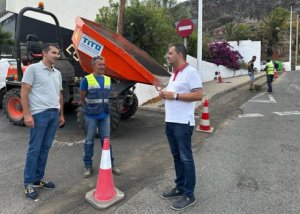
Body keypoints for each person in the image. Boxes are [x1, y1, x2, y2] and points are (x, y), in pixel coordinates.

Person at [159, 44, 203, 211]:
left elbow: (198, 94)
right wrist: (165, 93)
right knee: (177, 156)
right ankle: (180, 187)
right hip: (170, 121)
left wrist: (175, 95)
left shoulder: (190, 72)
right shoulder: (174, 75)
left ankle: (189, 195)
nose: (167, 55)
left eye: (170, 53)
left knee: (186, 158)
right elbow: (172, 94)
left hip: (182, 123)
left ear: (179, 54)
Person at [21, 43, 65, 201]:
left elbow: (59, 95)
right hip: (39, 115)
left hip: (54, 114)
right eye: (54, 52)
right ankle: (28, 182)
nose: (57, 56)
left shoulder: (57, 73)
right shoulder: (33, 69)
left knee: (45, 148)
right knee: (34, 149)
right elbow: (24, 92)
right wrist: (27, 114)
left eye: (58, 53)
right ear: (45, 53)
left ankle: (37, 179)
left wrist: (61, 114)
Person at [80, 55, 121, 178]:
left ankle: (111, 164)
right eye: (100, 64)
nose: (102, 67)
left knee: (106, 141)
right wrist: (88, 107)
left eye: (103, 64)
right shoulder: (86, 79)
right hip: (91, 115)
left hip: (105, 115)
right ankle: (88, 166)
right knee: (89, 141)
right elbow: (82, 97)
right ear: (94, 65)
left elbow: (109, 96)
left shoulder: (108, 79)